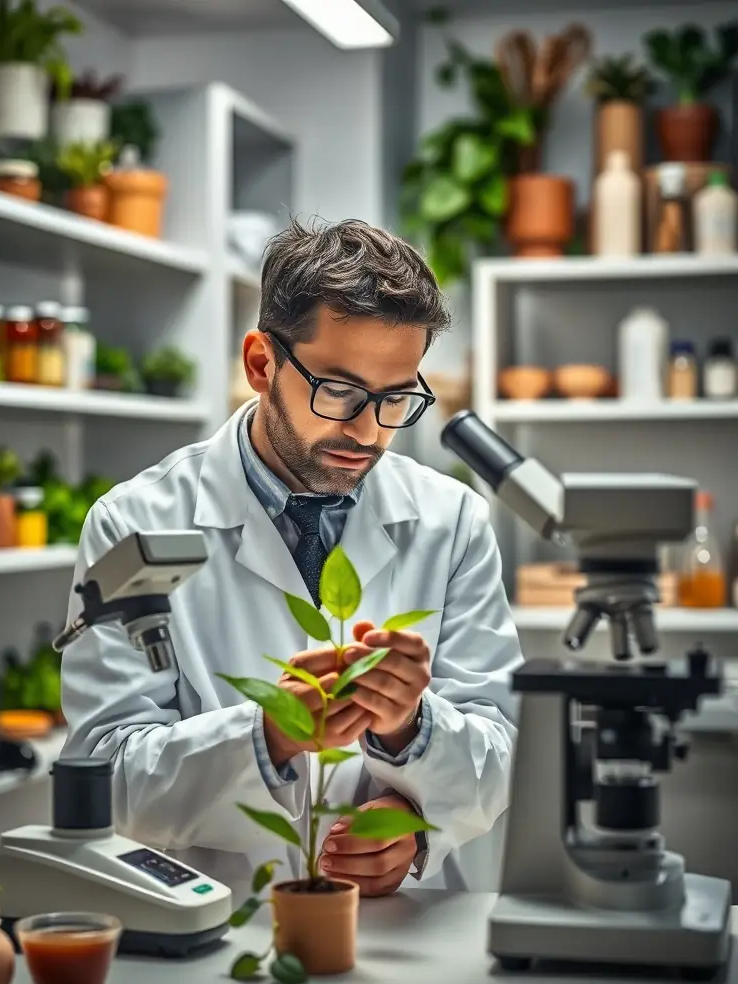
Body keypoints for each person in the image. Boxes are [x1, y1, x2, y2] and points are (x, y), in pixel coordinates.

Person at [60, 217, 522, 898]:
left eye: (396, 398)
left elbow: (505, 754)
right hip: (217, 933)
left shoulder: (451, 521)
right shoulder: (134, 522)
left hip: (402, 940)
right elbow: (107, 780)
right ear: (260, 365)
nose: (366, 431)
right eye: (338, 391)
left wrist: (412, 771)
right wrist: (267, 733)